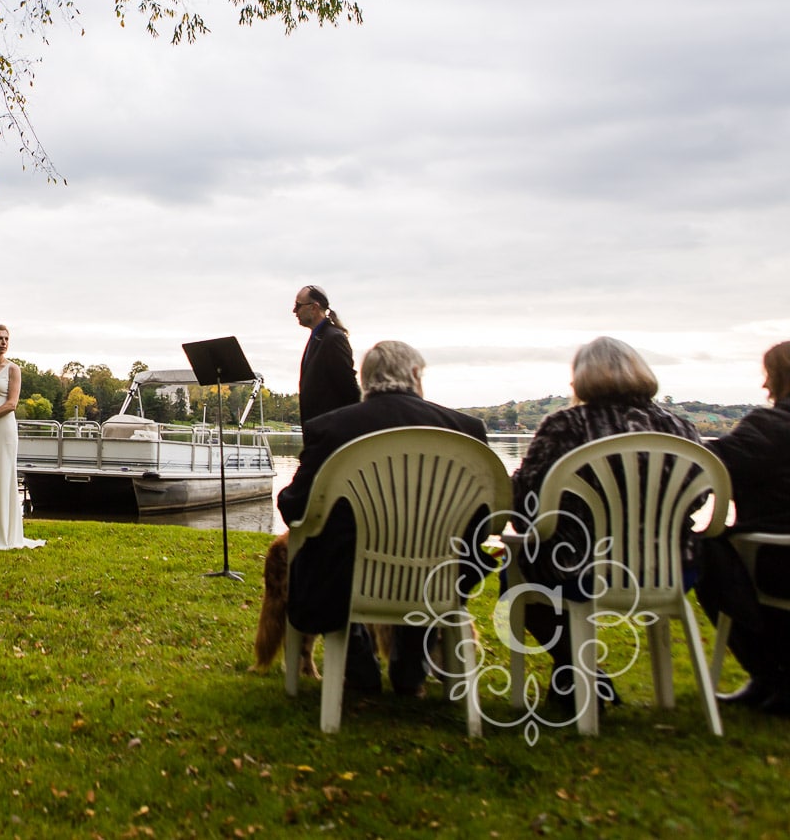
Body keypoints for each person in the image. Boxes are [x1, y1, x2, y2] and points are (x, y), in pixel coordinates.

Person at [276, 340, 491, 695]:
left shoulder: (331, 429)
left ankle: (359, 663)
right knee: (426, 563)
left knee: (328, 560)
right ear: (415, 375)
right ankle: (410, 670)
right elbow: (485, 518)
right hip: (437, 573)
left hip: (348, 575)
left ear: (365, 381)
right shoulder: (465, 429)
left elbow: (294, 508)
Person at [510, 336, 700, 709]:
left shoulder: (565, 426)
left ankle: (582, 676)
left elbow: (525, 505)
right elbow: (699, 495)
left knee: (515, 575)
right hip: (670, 570)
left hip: (580, 568)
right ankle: (582, 681)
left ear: (580, 379)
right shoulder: (681, 428)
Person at [696, 341, 790, 714]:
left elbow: (710, 467)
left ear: (779, 377)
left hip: (775, 556)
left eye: (769, 375)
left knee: (701, 552)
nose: (765, 386)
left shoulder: (771, 426)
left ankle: (770, 673)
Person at [0, 325, 43, 550]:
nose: (4, 342)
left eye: (6, 339)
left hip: (2, 428)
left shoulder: (13, 369)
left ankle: (5, 531)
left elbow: (12, 404)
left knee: (4, 475)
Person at [293, 285, 360, 423]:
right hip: (319, 431)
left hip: (331, 431)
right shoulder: (318, 338)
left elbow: (349, 389)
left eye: (298, 305)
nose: (294, 311)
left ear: (314, 308)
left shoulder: (334, 338)